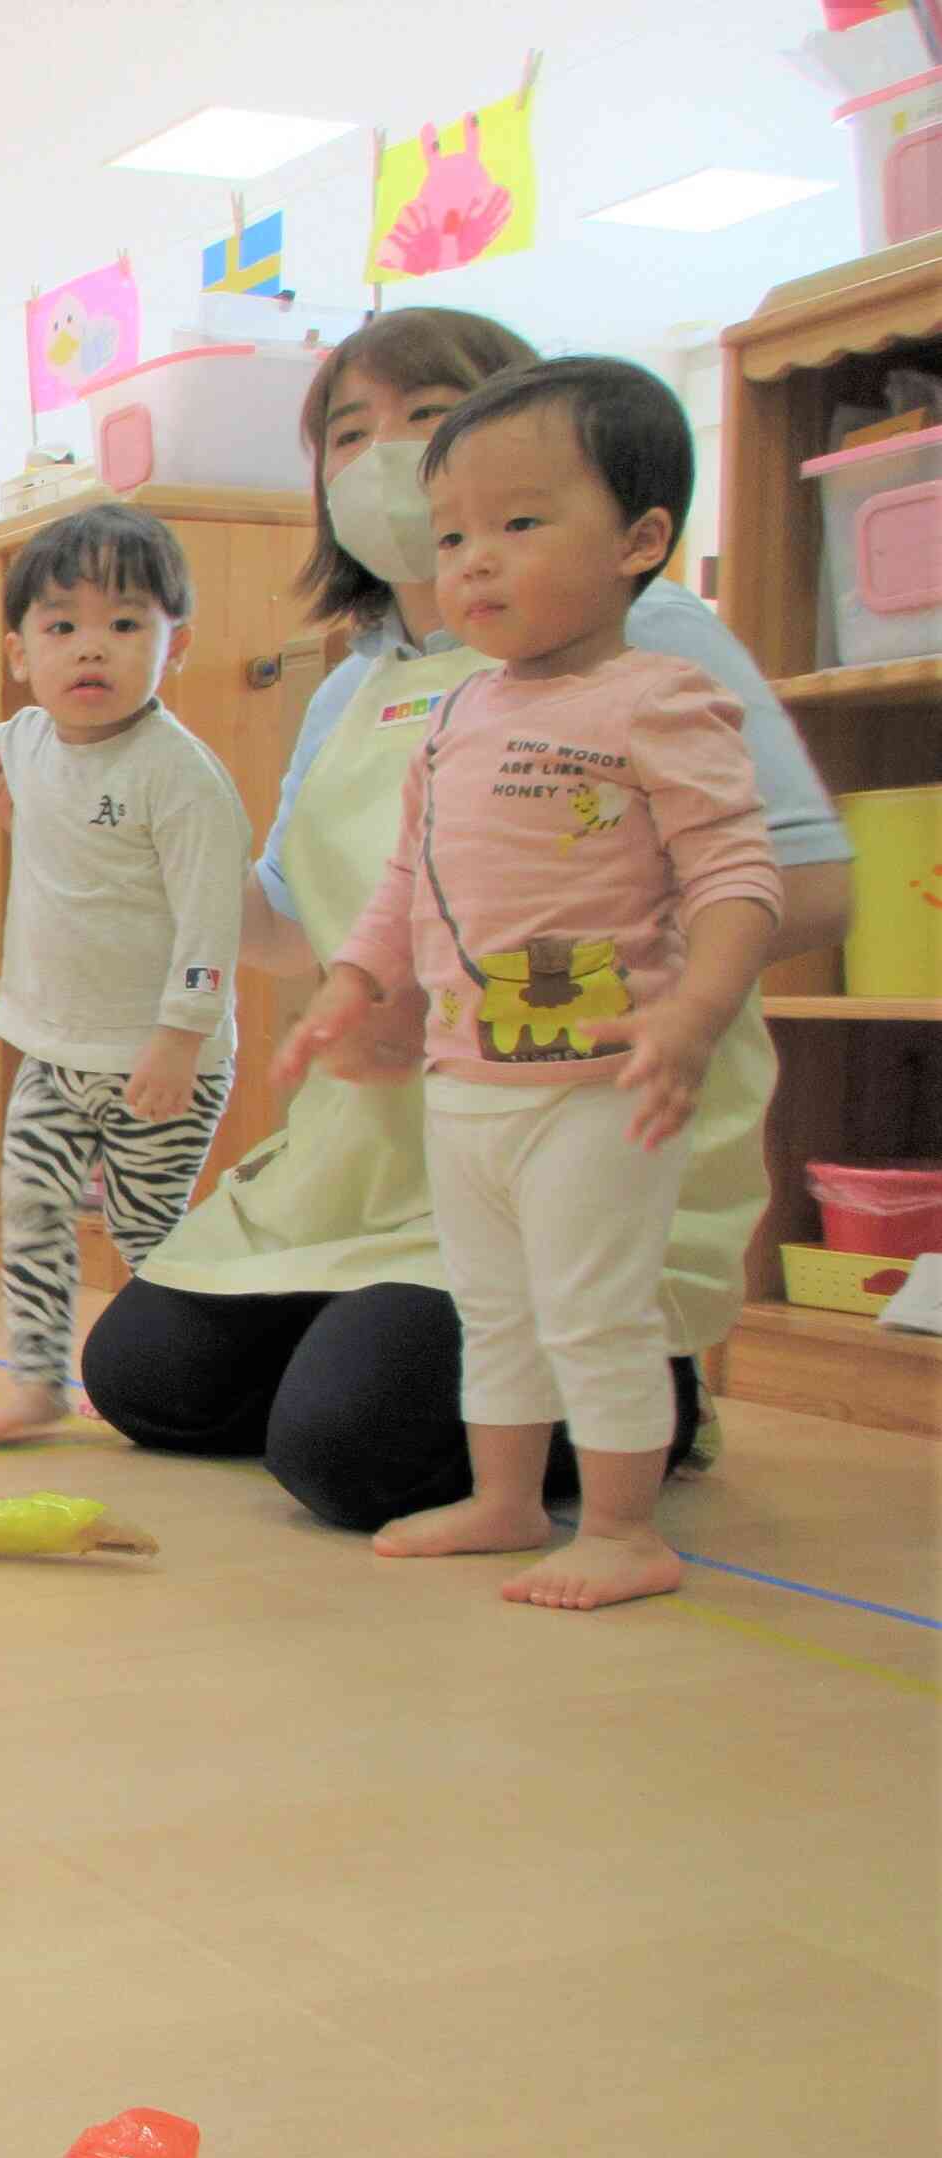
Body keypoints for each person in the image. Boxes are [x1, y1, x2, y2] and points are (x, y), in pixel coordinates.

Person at [76, 308, 853, 1533]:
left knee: (346, 1444)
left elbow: (801, 883)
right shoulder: (354, 682)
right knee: (141, 1374)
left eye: (430, 418)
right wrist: (123, 833)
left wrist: (493, 992)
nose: (388, 457)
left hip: (572, 1106)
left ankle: (642, 1384)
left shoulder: (645, 639)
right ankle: (426, 1359)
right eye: (349, 432)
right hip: (383, 1143)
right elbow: (310, 916)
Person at [278, 360, 779, 1609]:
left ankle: (621, 1526)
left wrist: (692, 1013)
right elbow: (405, 879)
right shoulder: (451, 713)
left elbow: (740, 880)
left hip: (601, 1083)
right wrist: (351, 982)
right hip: (470, 1077)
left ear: (641, 539)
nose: (474, 563)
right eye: (453, 537)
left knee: (593, 1309)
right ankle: (506, 1498)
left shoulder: (659, 697)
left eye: (518, 525)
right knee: (496, 1307)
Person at [0, 505, 250, 1447]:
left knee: (149, 1236)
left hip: (159, 1054)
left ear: (175, 643)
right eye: (61, 625)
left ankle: (191, 1378)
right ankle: (36, 1378)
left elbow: (210, 919)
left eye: (124, 624)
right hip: (52, 1048)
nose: (90, 649)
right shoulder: (29, 740)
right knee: (30, 1208)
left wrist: (180, 1037)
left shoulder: (178, 773)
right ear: (20, 651)